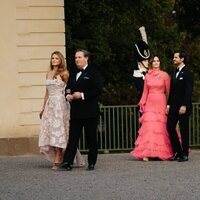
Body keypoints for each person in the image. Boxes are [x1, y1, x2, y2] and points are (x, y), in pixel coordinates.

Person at [39, 51, 85, 170]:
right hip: (50, 105)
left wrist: (70, 98)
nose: (54, 60)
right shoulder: (48, 73)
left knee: (59, 130)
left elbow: (70, 88)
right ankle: (58, 155)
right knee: (50, 130)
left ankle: (59, 157)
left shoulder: (64, 73)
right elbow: (46, 92)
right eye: (52, 58)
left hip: (60, 104)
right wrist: (43, 108)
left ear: (60, 60)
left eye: (56, 58)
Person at [61, 49, 104, 171]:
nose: (77, 60)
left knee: (91, 138)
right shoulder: (73, 73)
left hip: (90, 111)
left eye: (79, 57)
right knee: (73, 138)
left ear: (86, 58)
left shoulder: (94, 72)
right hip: (76, 111)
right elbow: (68, 88)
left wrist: (83, 95)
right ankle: (68, 162)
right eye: (75, 58)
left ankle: (91, 162)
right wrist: (67, 95)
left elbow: (98, 89)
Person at [130, 56, 173, 161]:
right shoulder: (147, 75)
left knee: (160, 128)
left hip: (161, 103)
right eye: (154, 61)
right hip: (150, 103)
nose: (156, 62)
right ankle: (147, 153)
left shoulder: (165, 75)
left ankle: (161, 152)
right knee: (149, 127)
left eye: (158, 61)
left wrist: (169, 105)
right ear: (151, 63)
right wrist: (142, 103)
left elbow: (169, 92)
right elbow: (145, 91)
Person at [167, 51, 194, 162]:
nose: (174, 59)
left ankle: (185, 154)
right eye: (173, 57)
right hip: (173, 106)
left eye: (176, 57)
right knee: (169, 127)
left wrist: (184, 105)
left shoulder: (188, 72)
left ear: (182, 59)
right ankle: (177, 152)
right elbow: (171, 91)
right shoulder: (174, 72)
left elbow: (189, 91)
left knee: (184, 130)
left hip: (183, 107)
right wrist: (168, 104)